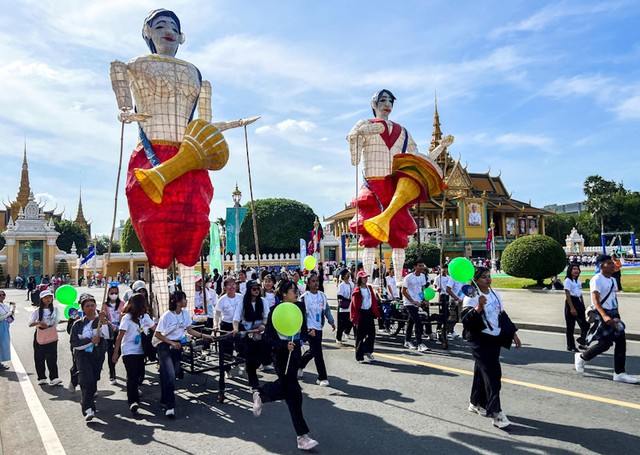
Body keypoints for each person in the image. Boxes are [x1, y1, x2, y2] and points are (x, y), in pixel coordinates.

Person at [110, 9, 258, 314]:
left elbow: (204, 124)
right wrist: (124, 107)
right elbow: (117, 72)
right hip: (151, 155)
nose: (168, 31)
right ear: (147, 32)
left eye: (174, 27)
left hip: (190, 158)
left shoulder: (196, 74)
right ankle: (165, 313)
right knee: (157, 236)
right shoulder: (137, 64)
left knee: (193, 232)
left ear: (182, 36)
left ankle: (188, 315)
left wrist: (234, 124)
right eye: (159, 25)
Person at [347, 89, 451, 278]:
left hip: (396, 189)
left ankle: (398, 279)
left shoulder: (402, 132)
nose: (387, 104)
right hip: (373, 185)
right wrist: (358, 132)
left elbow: (419, 159)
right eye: (382, 100)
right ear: (374, 104)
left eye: (390, 101)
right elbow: (354, 159)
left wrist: (441, 146)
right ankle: (367, 279)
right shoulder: (365, 125)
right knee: (369, 238)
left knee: (399, 237)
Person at [253, 280, 318, 451]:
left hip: (294, 353)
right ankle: (302, 437)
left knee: (291, 392)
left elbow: (301, 330)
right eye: (292, 290)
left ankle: (262, 393)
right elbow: (268, 338)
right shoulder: (275, 311)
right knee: (294, 393)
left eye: (296, 290)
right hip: (281, 356)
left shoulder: (300, 308)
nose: (296, 293)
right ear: (283, 293)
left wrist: (308, 333)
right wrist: (283, 346)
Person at [462, 267, 521, 429]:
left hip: (494, 338)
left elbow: (502, 315)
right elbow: (466, 321)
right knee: (493, 375)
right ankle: (496, 413)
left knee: (482, 372)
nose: (488, 280)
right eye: (483, 277)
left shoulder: (495, 294)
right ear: (476, 280)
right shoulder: (471, 297)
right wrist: (478, 308)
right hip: (480, 340)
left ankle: (475, 402)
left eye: (489, 276)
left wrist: (513, 333)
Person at [574, 255, 637, 384]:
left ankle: (619, 373)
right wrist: (605, 316)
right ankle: (582, 357)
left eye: (612, 262)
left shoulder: (613, 280)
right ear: (601, 265)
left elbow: (613, 298)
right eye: (609, 263)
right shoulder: (597, 279)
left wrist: (617, 316)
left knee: (621, 342)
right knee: (605, 344)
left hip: (613, 313)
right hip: (602, 314)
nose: (613, 264)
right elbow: (596, 301)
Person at [154, 291, 213, 417]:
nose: (186, 301)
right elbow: (157, 334)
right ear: (178, 301)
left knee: (173, 373)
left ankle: (164, 399)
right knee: (169, 374)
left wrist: (204, 336)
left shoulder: (185, 314)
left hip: (178, 345)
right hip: (164, 345)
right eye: (184, 299)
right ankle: (170, 406)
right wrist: (171, 342)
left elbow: (189, 330)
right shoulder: (167, 315)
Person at [69, 293, 112, 421]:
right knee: (86, 380)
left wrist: (104, 323)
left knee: (93, 380)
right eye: (87, 306)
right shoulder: (78, 324)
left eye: (92, 305)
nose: (90, 308)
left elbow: (109, 336)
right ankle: (88, 409)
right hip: (82, 356)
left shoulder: (101, 320)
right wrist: (90, 341)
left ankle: (87, 399)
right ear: (83, 308)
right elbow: (74, 344)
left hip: (97, 355)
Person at [112, 294, 156, 414]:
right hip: (129, 350)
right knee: (131, 375)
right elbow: (120, 337)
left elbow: (155, 329)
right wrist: (116, 353)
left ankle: (135, 391)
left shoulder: (145, 317)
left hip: (142, 350)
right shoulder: (127, 318)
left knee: (139, 375)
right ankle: (133, 401)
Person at [298, 274, 335, 386]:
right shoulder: (305, 297)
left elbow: (327, 309)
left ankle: (300, 364)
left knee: (314, 350)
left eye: (317, 281)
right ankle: (322, 377)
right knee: (318, 352)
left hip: (319, 327)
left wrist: (331, 321)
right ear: (308, 283)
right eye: (313, 281)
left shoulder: (321, 295)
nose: (315, 283)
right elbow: (301, 315)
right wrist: (307, 329)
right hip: (309, 327)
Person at [232, 280, 269, 390]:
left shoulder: (263, 301)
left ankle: (249, 367)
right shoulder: (243, 303)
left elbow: (266, 316)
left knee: (263, 357)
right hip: (248, 333)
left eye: (258, 288)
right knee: (250, 358)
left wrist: (263, 324)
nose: (257, 291)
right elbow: (236, 319)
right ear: (249, 290)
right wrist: (235, 330)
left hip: (259, 332)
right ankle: (253, 382)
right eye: (254, 289)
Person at [28, 289, 63, 386]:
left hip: (52, 335)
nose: (48, 299)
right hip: (40, 335)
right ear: (41, 299)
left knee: (52, 357)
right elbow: (30, 323)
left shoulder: (55, 309)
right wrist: (39, 323)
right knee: (39, 357)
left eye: (50, 297)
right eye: (46, 297)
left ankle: (54, 377)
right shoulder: (37, 311)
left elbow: (56, 321)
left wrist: (69, 320)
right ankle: (42, 377)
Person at [351, 270, 381, 363]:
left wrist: (376, 313)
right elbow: (354, 305)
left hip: (369, 313)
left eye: (366, 277)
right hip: (361, 313)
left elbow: (373, 301)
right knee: (360, 336)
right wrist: (354, 317)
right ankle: (359, 356)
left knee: (372, 333)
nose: (366, 279)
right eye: (364, 277)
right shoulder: (357, 290)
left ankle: (368, 350)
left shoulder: (369, 288)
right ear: (360, 279)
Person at [401, 262, 430, 352]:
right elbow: (403, 291)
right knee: (418, 322)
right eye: (419, 266)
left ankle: (407, 341)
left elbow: (421, 289)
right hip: (409, 303)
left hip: (417, 302)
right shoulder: (408, 277)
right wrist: (412, 301)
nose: (421, 268)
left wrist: (424, 299)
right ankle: (419, 343)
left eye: (422, 266)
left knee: (411, 322)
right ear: (415, 267)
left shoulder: (422, 276)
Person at [563, 264, 590, 352]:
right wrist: (572, 308)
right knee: (570, 326)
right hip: (571, 302)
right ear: (570, 270)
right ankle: (570, 345)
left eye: (577, 269)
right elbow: (567, 294)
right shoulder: (568, 281)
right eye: (574, 269)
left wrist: (583, 305)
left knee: (585, 324)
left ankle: (582, 341)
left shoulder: (578, 281)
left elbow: (580, 294)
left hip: (578, 302)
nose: (576, 270)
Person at [103, 283, 124, 385]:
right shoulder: (105, 305)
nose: (114, 295)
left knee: (118, 350)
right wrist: (110, 324)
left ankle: (114, 362)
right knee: (110, 351)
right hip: (109, 331)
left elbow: (125, 315)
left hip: (120, 330)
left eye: (116, 293)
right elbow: (104, 317)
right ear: (108, 293)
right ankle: (112, 374)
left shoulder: (122, 303)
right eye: (112, 293)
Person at [335, 269, 354, 345]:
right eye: (346, 274)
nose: (348, 275)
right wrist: (347, 299)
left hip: (350, 306)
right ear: (343, 276)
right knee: (341, 324)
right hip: (343, 307)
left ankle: (346, 332)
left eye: (348, 274)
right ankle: (338, 337)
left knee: (349, 322)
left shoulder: (351, 284)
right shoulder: (342, 285)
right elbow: (339, 295)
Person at [0, 291, 16, 370]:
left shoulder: (4, 305)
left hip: (5, 325)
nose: (2, 296)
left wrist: (13, 307)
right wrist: (8, 314)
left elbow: (11, 314)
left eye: (3, 294)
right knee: (1, 344)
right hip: (1, 325)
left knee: (4, 344)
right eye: (0, 295)